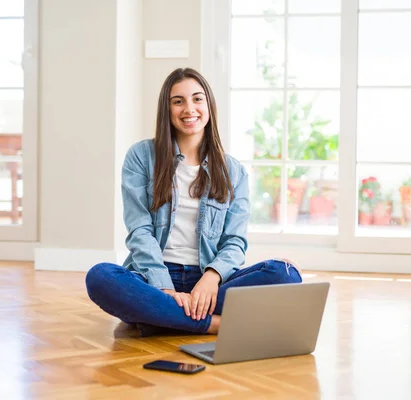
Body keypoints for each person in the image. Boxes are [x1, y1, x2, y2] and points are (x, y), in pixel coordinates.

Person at [85, 67, 302, 336]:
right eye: (178, 101)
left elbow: (235, 242)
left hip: (210, 283)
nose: (190, 109)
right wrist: (164, 286)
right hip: (153, 277)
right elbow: (139, 230)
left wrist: (211, 279)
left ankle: (161, 317)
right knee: (100, 277)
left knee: (285, 274)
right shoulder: (141, 157)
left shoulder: (234, 171)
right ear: (167, 109)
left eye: (198, 99)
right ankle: (213, 324)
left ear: (209, 105)